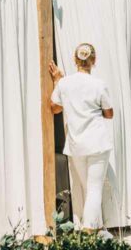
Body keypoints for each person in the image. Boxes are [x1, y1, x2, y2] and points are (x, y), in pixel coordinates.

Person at [49, 43, 114, 230]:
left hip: (76, 145)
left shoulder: (64, 83)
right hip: (97, 143)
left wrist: (58, 83)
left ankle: (98, 229)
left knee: (88, 188)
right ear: (93, 61)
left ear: (75, 60)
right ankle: (89, 231)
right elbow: (109, 114)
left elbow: (54, 108)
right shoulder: (99, 85)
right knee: (94, 189)